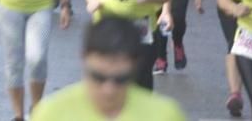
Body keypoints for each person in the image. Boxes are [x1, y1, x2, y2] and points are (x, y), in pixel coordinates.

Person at [30, 17, 186, 121]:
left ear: (135, 65)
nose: (109, 90)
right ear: (83, 58)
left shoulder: (166, 115)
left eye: (121, 79)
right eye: (98, 77)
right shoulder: (51, 114)